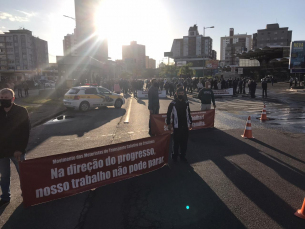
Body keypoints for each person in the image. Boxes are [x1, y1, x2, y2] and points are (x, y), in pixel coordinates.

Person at [0, 88, 30, 208]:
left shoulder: (21, 111)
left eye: (6, 98)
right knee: (4, 175)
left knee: (23, 173)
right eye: (1, 98)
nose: (3, 100)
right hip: (1, 151)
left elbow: (25, 132)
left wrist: (20, 149)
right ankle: (5, 197)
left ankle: (27, 194)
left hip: (17, 150)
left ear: (13, 99)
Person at [166, 88, 192, 162]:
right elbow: (168, 114)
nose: (181, 95)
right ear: (176, 94)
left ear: (184, 94)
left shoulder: (186, 102)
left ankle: (182, 156)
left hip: (185, 126)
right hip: (177, 126)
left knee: (184, 143)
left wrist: (190, 123)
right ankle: (174, 157)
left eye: (182, 93)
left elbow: (188, 113)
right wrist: (169, 124)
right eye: (179, 93)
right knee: (176, 143)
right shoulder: (173, 103)